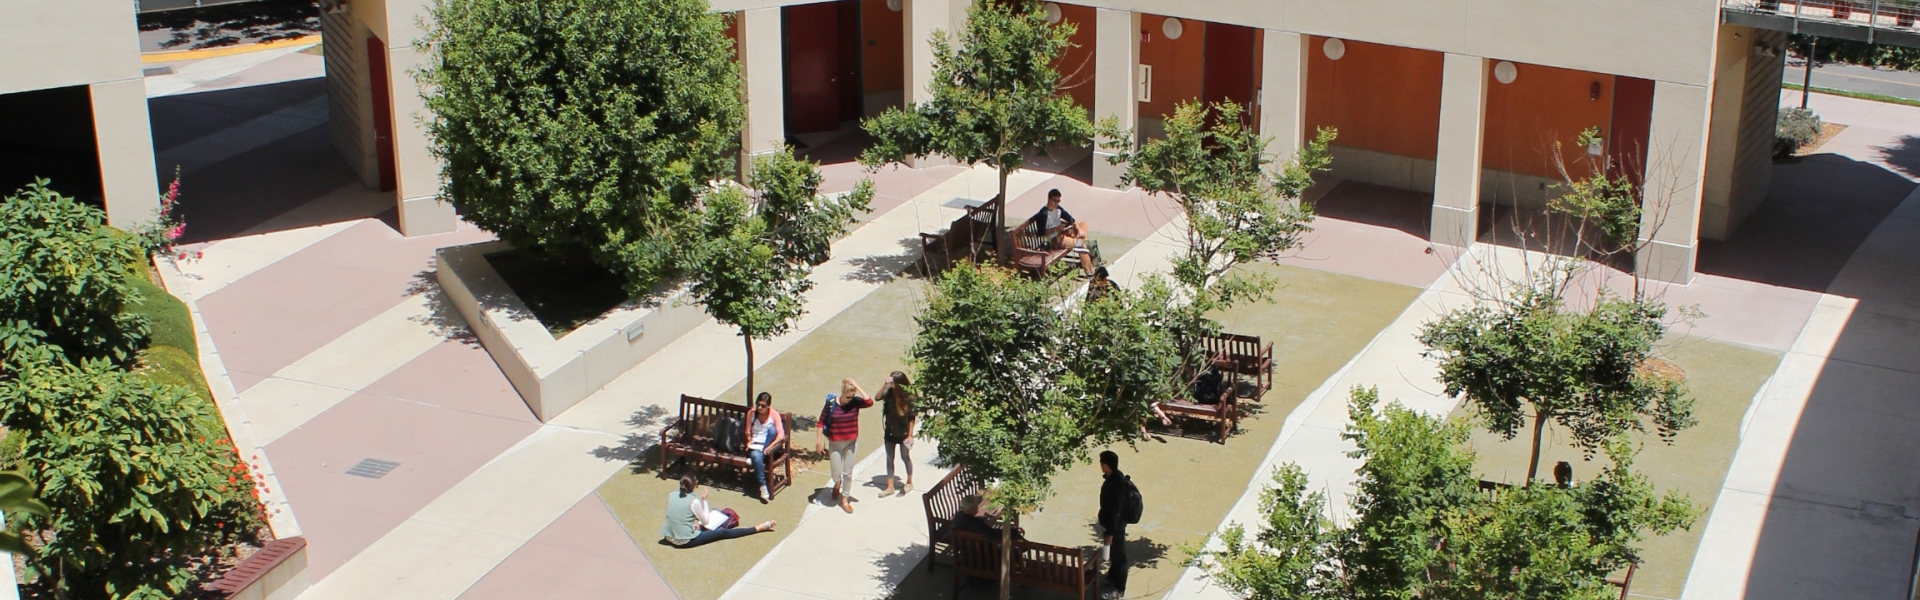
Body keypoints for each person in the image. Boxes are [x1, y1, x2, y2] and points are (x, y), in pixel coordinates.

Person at [660, 475, 774, 548]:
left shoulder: (672, 495)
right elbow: (705, 521)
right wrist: (704, 500)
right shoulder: (694, 501)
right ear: (694, 486)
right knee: (722, 532)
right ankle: (757, 528)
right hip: (684, 541)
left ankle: (758, 528)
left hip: (669, 537)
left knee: (699, 526)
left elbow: (678, 515)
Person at [816, 378, 873, 513]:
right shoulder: (831, 404)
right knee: (836, 473)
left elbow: (869, 402)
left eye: (852, 396)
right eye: (848, 396)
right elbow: (820, 422)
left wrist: (857, 386)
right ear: (842, 392)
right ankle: (837, 483)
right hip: (835, 443)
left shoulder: (855, 403)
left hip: (851, 442)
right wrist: (819, 442)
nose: (849, 399)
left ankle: (845, 498)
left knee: (848, 472)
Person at [1024, 189, 1096, 276]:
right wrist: (1055, 229)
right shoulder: (1043, 214)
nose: (1057, 203)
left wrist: (1078, 228)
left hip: (1063, 232)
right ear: (1049, 199)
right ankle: (1089, 271)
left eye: (1058, 200)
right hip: (1054, 239)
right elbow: (1041, 233)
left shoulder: (1058, 209)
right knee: (1080, 244)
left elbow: (1070, 219)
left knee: (1084, 224)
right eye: (1055, 200)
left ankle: (1079, 239)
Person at [1097, 450, 1130, 598]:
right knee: (1113, 554)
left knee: (1119, 556)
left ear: (1106, 464)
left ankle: (1119, 589)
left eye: (1101, 463)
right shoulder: (1113, 478)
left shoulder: (1116, 483)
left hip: (1116, 526)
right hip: (1111, 524)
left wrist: (1110, 531)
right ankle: (1112, 576)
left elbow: (1115, 510)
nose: (1100, 466)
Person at [878, 371, 916, 497]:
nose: (891, 383)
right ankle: (890, 486)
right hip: (890, 430)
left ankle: (909, 481)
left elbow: (912, 417)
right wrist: (885, 384)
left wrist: (910, 434)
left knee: (905, 457)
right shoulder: (889, 392)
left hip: (904, 432)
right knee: (890, 458)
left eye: (893, 381)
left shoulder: (909, 396)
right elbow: (877, 397)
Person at [747, 392, 788, 503]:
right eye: (758, 404)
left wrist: (770, 447)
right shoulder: (751, 413)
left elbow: (781, 435)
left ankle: (756, 459)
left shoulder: (774, 415)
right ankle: (763, 484)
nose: (759, 408)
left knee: (772, 430)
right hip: (756, 445)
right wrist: (749, 440)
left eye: (763, 406)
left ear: (768, 406)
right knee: (756, 455)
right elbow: (747, 431)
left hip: (769, 445)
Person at [953, 494, 1024, 541]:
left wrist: (996, 516)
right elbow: (993, 535)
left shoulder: (958, 517)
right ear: (972, 509)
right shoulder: (976, 523)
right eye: (977, 506)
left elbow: (984, 528)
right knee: (1021, 545)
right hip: (981, 552)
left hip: (966, 547)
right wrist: (1015, 532)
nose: (978, 506)